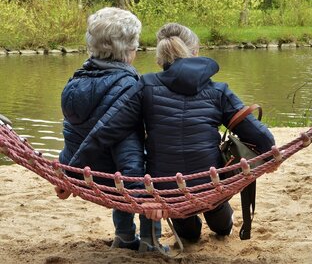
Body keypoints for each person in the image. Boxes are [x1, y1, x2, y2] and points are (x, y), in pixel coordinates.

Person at [70, 23, 275, 242]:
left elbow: (107, 130)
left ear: (161, 58)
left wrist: (71, 172)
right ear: (195, 52)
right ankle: (220, 219)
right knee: (219, 216)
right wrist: (270, 155)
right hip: (210, 183)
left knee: (189, 235)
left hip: (167, 191)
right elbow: (260, 136)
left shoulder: (145, 86)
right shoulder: (219, 91)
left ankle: (195, 223)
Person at [55, 7, 164, 252]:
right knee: (153, 166)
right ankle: (151, 241)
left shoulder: (75, 81)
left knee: (121, 168)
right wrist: (141, 196)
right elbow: (128, 149)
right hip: (116, 176)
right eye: (135, 45)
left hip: (87, 172)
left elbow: (73, 134)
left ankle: (124, 236)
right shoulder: (128, 86)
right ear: (128, 50)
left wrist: (66, 170)